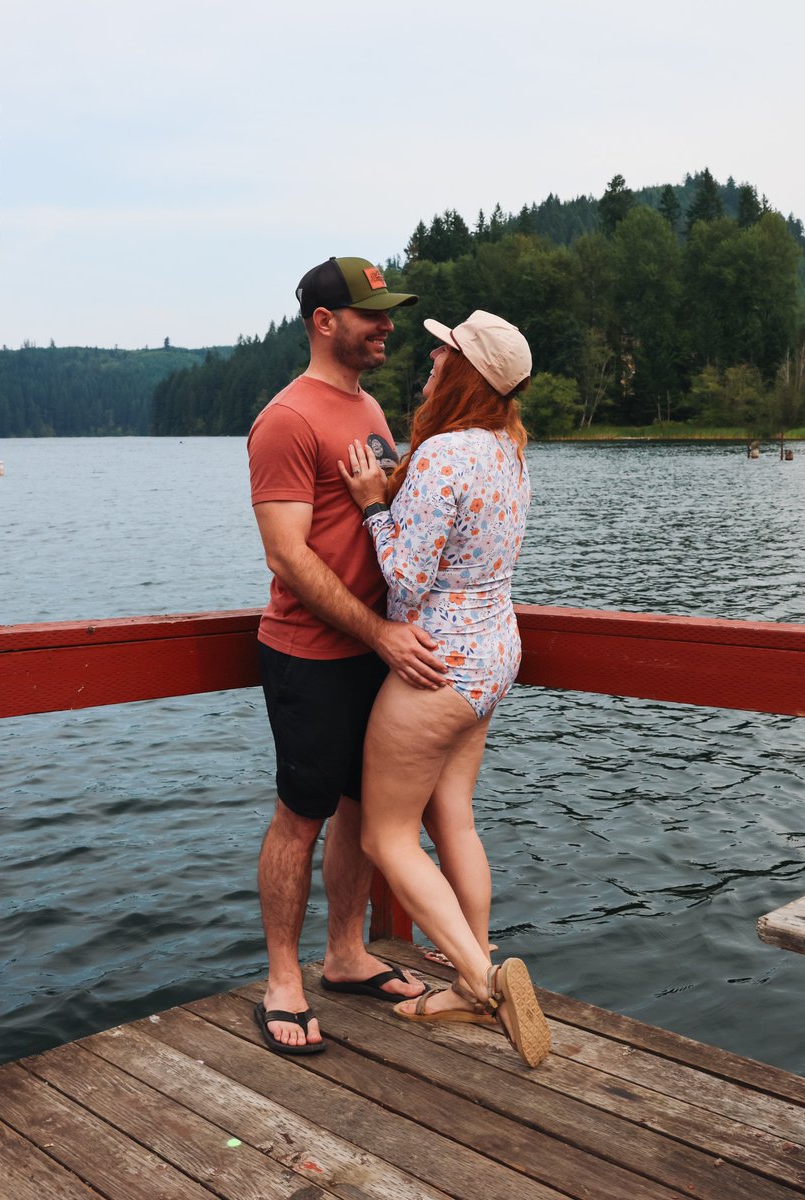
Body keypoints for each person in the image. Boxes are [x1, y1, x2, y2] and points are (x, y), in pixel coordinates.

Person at [337, 310, 550, 1067]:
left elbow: (403, 576)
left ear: (463, 373)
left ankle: (480, 976)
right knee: (452, 812)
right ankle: (475, 958)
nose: (430, 356)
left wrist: (370, 503)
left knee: (384, 834)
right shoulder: (506, 449)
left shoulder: (445, 456)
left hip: (436, 663)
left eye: (444, 351)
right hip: (494, 654)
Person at [247, 256, 443, 1055]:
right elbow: (290, 556)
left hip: (375, 649)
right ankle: (283, 980)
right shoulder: (287, 420)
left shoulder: (366, 409)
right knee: (303, 815)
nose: (387, 325)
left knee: (367, 812)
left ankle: (347, 955)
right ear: (324, 322)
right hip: (312, 653)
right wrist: (380, 633)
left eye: (389, 312)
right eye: (372, 314)